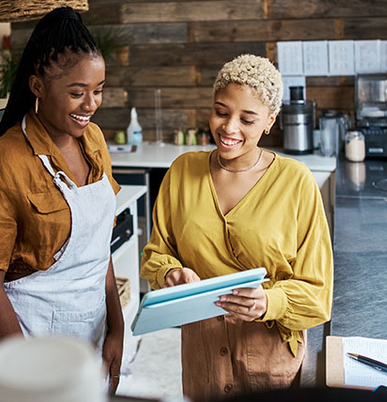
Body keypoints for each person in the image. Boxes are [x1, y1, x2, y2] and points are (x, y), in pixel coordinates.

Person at [140, 54, 333, 402]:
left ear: (270, 121)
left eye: (247, 119)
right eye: (221, 111)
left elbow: (317, 296)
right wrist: (170, 274)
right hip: (202, 363)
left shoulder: (296, 182)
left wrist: (268, 302)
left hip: (269, 364)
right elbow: (157, 253)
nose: (229, 128)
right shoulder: (182, 171)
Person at [0, 7, 124, 394]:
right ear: (37, 86)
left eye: (97, 91)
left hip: (92, 337)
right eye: (76, 93)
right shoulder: (4, 162)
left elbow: (98, 247)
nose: (91, 105)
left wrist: (116, 327)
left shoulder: (95, 141)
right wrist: (25, 375)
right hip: (29, 344)